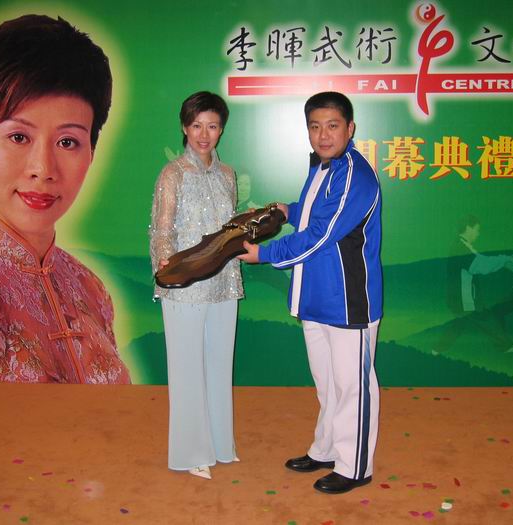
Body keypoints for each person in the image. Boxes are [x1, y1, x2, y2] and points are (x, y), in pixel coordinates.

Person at [0, 15, 130, 384]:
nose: (43, 169)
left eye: (67, 142)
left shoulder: (92, 290)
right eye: (19, 137)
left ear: (91, 153)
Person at [238, 91, 382, 494]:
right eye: (315, 126)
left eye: (332, 126)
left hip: (349, 301)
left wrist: (265, 254)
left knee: (353, 387)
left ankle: (355, 467)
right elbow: (316, 212)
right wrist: (290, 210)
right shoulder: (322, 167)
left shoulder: (355, 175)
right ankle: (326, 449)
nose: (323, 135)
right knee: (328, 385)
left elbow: (321, 234)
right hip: (316, 296)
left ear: (350, 128)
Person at [149, 91, 242, 480]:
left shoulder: (227, 175)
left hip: (224, 282)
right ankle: (191, 453)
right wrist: (168, 264)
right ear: (185, 128)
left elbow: (230, 230)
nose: (204, 134)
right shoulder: (173, 174)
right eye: (197, 126)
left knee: (219, 365)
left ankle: (220, 445)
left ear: (221, 129)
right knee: (186, 367)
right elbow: (161, 229)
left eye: (213, 126)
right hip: (185, 284)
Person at [434, 216, 513, 354]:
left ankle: (436, 350)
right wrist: (504, 260)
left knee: (459, 324)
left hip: (459, 298)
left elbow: (480, 260)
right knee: (486, 319)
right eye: (477, 229)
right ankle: (505, 346)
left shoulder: (462, 245)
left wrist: (503, 259)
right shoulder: (461, 248)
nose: (478, 233)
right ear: (468, 228)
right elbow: (481, 265)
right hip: (465, 299)